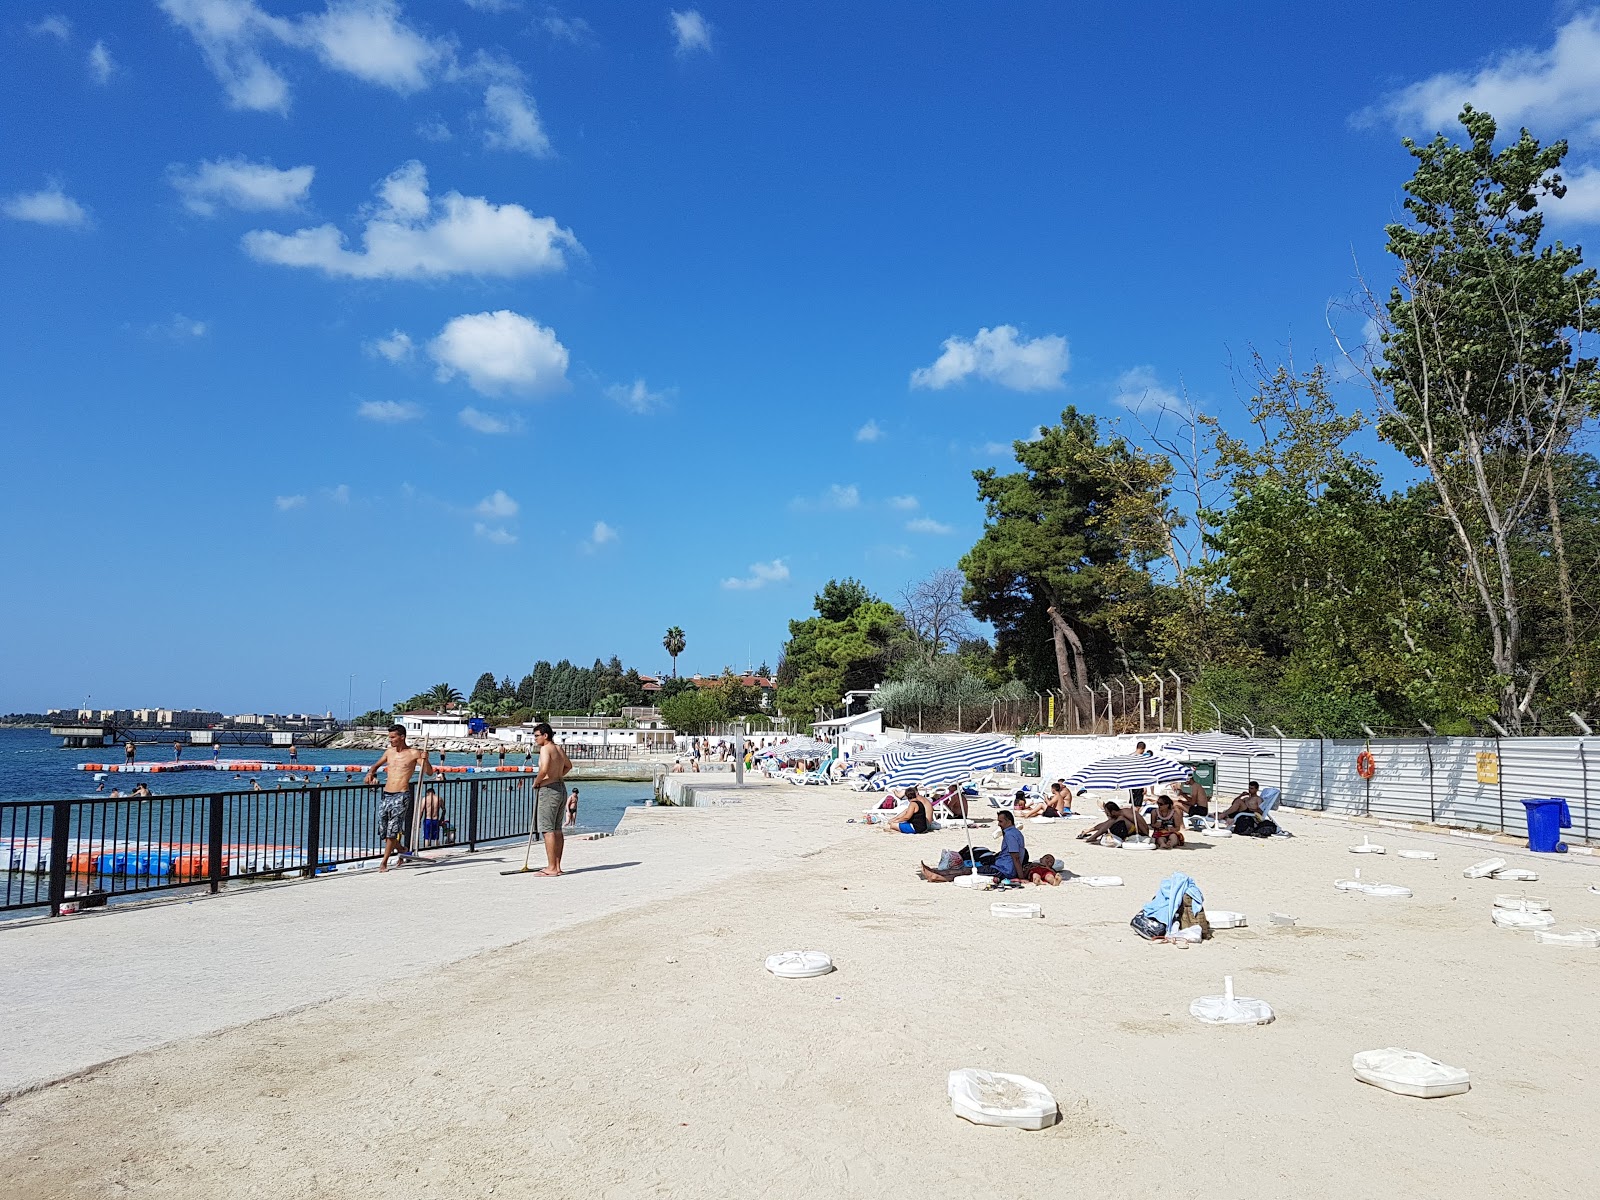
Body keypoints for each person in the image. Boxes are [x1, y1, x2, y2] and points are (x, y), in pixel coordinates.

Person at [363, 724, 434, 872]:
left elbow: (429, 772)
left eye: (393, 737)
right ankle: (402, 849)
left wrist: (425, 759)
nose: (391, 740)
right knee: (383, 830)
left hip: (402, 795)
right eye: (390, 737)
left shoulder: (414, 753)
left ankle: (384, 862)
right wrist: (370, 773)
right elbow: (375, 766)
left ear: (402, 737)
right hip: (386, 794)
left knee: (392, 831)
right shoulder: (389, 752)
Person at [920, 809, 1027, 882]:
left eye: (1001, 821)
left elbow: (1015, 857)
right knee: (969, 869)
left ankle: (938, 876)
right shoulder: (1014, 833)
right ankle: (937, 872)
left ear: (1009, 821)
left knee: (968, 871)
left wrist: (1021, 878)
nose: (998, 824)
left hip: (1003, 871)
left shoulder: (1010, 835)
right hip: (1000, 867)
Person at [530, 722, 574, 876]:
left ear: (545, 735)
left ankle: (551, 868)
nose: (535, 739)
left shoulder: (545, 748)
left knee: (547, 829)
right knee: (557, 829)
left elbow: (544, 768)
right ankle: (557, 866)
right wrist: (558, 775)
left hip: (549, 790)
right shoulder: (558, 748)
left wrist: (537, 782)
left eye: (536, 736)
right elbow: (569, 766)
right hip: (561, 788)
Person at [1077, 800, 1145, 844]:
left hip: (1139, 832)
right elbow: (1106, 823)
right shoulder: (1120, 813)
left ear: (1113, 811)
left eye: (1107, 813)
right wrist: (1090, 830)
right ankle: (1091, 834)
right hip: (1131, 830)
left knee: (1115, 820)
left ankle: (1093, 837)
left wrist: (1144, 835)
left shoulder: (1126, 814)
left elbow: (1140, 824)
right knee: (1111, 821)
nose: (1107, 814)